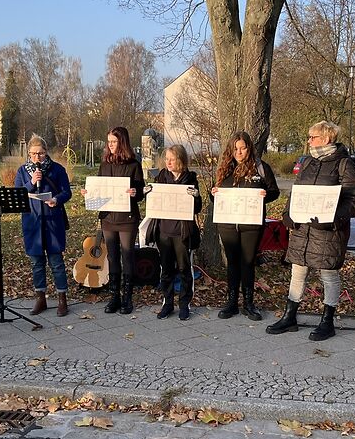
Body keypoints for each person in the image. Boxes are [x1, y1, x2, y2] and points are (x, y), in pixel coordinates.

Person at [267, 121, 355, 340]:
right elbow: (297, 191)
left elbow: (352, 201)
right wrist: (287, 214)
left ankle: (327, 321)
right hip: (302, 228)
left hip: (328, 231)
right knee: (297, 272)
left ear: (327, 138)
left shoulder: (344, 164)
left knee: (329, 274)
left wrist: (333, 219)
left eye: (312, 137)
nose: (308, 140)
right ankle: (290, 316)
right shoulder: (308, 161)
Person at [211, 132, 280, 321]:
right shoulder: (225, 168)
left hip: (251, 223)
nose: (239, 152)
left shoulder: (260, 167)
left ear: (249, 148)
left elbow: (274, 192)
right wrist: (214, 193)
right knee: (232, 262)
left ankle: (249, 303)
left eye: (243, 148)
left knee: (248, 262)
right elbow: (214, 196)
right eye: (235, 148)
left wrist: (265, 195)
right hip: (228, 223)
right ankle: (231, 302)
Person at [82, 126, 145, 315]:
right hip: (108, 217)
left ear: (122, 142)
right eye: (108, 141)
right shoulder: (105, 164)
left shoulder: (134, 164)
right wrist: (89, 193)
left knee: (127, 255)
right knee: (112, 256)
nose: (110, 145)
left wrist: (135, 192)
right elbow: (100, 189)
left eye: (113, 141)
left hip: (127, 218)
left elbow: (141, 192)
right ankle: (114, 296)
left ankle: (127, 297)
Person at [14, 135, 72, 316]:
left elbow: (67, 192)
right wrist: (31, 183)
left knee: (56, 262)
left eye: (40, 153)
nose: (37, 158)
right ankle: (41, 298)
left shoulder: (57, 169)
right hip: (32, 222)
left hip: (53, 221)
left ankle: (62, 298)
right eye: (33, 154)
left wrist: (56, 199)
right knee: (37, 263)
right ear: (28, 153)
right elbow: (17, 194)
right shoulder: (23, 171)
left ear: (46, 153)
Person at [144, 145, 202, 321]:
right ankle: (167, 303)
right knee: (166, 269)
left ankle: (184, 305)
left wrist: (197, 196)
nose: (168, 162)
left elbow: (196, 209)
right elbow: (153, 202)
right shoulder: (162, 176)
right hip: (164, 231)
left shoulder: (190, 178)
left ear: (182, 161)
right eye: (167, 158)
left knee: (184, 269)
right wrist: (147, 193)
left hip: (182, 232)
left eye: (172, 159)